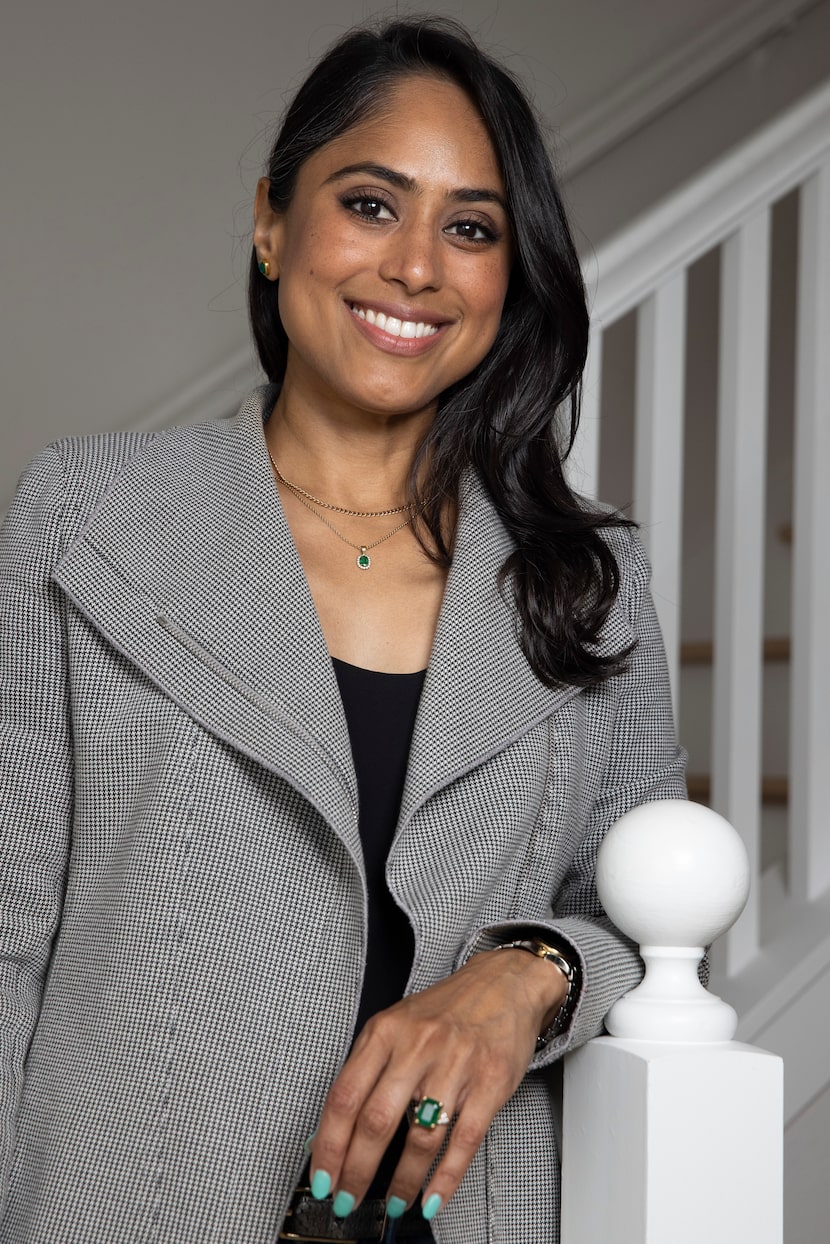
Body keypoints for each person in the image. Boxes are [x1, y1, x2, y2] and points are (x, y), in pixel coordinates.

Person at [0, 16, 685, 1244]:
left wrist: (522, 972)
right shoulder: (87, 514)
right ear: (272, 220)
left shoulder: (585, 579)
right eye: (371, 204)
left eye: (469, 227)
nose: (416, 265)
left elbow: (651, 911)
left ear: (507, 274)